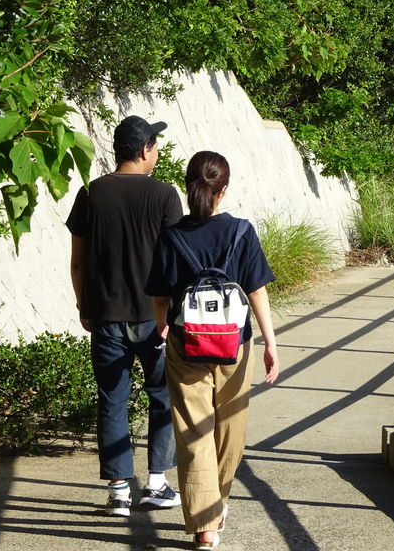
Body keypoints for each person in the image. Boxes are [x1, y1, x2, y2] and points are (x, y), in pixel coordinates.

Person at [147, 151, 279, 551]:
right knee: (231, 430)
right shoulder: (241, 231)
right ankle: (215, 506)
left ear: (188, 186)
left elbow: (159, 295)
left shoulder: (172, 235)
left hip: (186, 345)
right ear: (223, 190)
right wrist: (271, 343)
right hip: (234, 345)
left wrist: (162, 325)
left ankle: (205, 524)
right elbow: (256, 289)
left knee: (192, 432)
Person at [66, 115, 184, 516]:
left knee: (112, 401)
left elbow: (78, 263)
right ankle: (156, 484)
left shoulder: (91, 193)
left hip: (106, 315)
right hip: (156, 318)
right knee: (162, 397)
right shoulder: (165, 196)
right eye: (156, 146)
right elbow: (175, 261)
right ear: (144, 150)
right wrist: (172, 311)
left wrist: (84, 306)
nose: (157, 153)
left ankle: (119, 491)